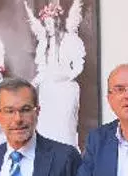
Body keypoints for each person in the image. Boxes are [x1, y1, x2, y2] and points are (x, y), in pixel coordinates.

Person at [23, 0, 85, 148]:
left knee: (64, 127)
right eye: (46, 24)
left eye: (50, 24)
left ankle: (67, 154)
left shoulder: (70, 40)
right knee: (47, 126)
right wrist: (31, 84)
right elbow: (43, 71)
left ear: (57, 22)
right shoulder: (45, 43)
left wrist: (66, 76)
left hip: (66, 89)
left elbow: (78, 66)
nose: (48, 28)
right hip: (48, 90)